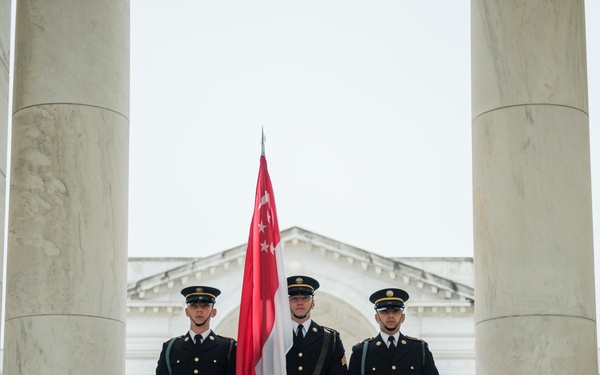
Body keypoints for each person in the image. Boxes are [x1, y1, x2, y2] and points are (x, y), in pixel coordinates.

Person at [348, 288, 439, 375]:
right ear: (377, 318)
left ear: (403, 317)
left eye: (395, 311)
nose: (391, 315)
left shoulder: (419, 349)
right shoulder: (362, 351)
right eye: (385, 311)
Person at [156, 286, 236, 375]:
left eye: (205, 306)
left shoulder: (228, 348)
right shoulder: (171, 348)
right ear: (187, 311)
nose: (199, 310)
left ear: (213, 312)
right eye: (194, 306)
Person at [286, 275, 348, 374]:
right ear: (286, 303)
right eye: (294, 299)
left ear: (313, 303)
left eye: (305, 298)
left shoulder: (331, 338)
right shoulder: (276, 337)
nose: (300, 302)